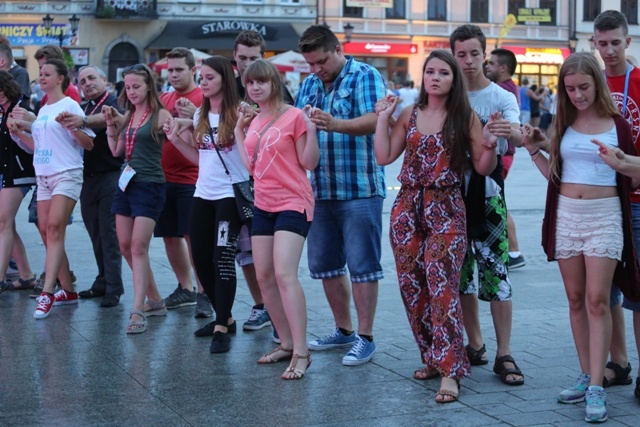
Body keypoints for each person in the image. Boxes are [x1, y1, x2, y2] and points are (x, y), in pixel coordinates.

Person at [374, 49, 497, 403]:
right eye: (430, 71)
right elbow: (384, 156)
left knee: (442, 287)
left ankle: (450, 370)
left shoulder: (463, 116)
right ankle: (431, 356)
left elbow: (484, 166)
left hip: (446, 207)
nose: (435, 77)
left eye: (443, 72)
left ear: (454, 79)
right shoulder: (410, 114)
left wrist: (490, 142)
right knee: (413, 289)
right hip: (407, 208)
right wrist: (382, 119)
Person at [521, 52, 637, 423]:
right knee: (574, 299)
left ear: (597, 84)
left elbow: (634, 176)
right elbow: (554, 174)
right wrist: (533, 150)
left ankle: (599, 388)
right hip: (568, 216)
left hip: (605, 217)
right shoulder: (564, 122)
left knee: (596, 301)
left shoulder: (617, 124)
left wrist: (620, 163)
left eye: (583, 87)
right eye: (570, 89)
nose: (577, 95)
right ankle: (587, 375)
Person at [296, 25, 386, 366]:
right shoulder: (307, 84)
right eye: (311, 64)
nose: (316, 70)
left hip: (360, 187)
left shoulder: (365, 74)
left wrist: (334, 124)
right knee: (325, 266)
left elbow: (376, 120)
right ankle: (343, 329)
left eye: (321, 62)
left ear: (337, 49)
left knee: (363, 266)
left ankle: (365, 337)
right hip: (319, 189)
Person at [450, 24, 525, 386]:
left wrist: (499, 135)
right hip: (449, 198)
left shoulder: (501, 97)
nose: (467, 61)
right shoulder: (447, 94)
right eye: (460, 54)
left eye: (474, 54)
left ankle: (504, 352)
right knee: (461, 275)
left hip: (489, 196)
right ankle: (475, 344)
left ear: (485, 55)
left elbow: (512, 141)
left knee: (497, 275)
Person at [235, 59, 319, 379]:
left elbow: (309, 162)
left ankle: (301, 351)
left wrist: (311, 131)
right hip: (263, 203)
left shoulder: (293, 116)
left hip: (293, 201)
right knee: (265, 276)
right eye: (250, 83)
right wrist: (240, 130)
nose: (255, 88)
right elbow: (251, 168)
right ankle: (284, 342)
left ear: (274, 82)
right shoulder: (255, 119)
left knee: (284, 274)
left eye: (261, 82)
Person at [164, 56, 244, 353]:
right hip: (203, 193)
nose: (203, 82)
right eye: (202, 77)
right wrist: (176, 141)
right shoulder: (200, 115)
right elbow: (202, 160)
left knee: (222, 256)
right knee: (200, 257)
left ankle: (221, 324)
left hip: (229, 196)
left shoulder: (238, 114)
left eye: (210, 77)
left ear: (224, 78)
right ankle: (227, 316)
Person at [7, 59, 95, 319]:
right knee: (47, 233)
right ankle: (67, 290)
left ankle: (47, 291)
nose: (41, 77)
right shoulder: (43, 107)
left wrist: (73, 125)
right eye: (41, 74)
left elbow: (88, 143)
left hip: (66, 173)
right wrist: (18, 134)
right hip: (44, 174)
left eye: (47, 74)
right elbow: (39, 147)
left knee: (55, 228)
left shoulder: (70, 105)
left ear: (60, 79)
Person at [233, 30, 295, 334]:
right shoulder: (230, 86)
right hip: (240, 182)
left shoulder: (281, 97)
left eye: (254, 59)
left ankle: (286, 328)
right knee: (247, 255)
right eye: (242, 59)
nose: (248, 67)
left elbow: (292, 131)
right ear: (234, 58)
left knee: (280, 268)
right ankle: (263, 308)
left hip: (279, 192)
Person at [103, 64, 172, 333]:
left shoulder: (159, 114)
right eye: (127, 87)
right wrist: (111, 125)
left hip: (150, 184)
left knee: (138, 247)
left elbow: (180, 135)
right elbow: (117, 150)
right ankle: (155, 300)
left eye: (136, 87)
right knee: (125, 245)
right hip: (126, 183)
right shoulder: (131, 115)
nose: (131, 92)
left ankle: (137, 309)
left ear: (148, 87)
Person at [594, 9, 640, 403]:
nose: (608, 51)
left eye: (615, 43)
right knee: (606, 291)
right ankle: (619, 364)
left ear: (628, 42)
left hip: (638, 200)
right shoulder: (588, 83)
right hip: (602, 202)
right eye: (601, 43)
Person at [56, 65, 124, 307]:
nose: (87, 83)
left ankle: (114, 288)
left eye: (92, 78)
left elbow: (107, 118)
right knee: (95, 232)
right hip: (88, 179)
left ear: (104, 79)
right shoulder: (82, 108)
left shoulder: (115, 102)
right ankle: (102, 281)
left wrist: (81, 121)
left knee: (109, 233)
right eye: (82, 81)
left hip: (111, 176)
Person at [155, 48, 209, 317]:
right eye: (171, 70)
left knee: (194, 237)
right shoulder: (164, 98)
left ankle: (204, 291)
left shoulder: (204, 97)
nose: (174, 74)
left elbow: (216, 131)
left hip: (194, 179)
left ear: (193, 70)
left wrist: (197, 112)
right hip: (165, 177)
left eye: (179, 69)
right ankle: (185, 287)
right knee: (169, 236)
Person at [485, 48, 526, 269]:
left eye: (491, 64)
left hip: (503, 153)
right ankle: (513, 251)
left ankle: (513, 252)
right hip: (506, 153)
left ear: (503, 68)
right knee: (497, 200)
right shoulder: (508, 88)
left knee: (497, 201)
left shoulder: (502, 90)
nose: (487, 67)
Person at [0, 71, 36, 294]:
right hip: (4, 171)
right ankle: (25, 275)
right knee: (7, 225)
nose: (0, 96)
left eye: (2, 92)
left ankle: (1, 277)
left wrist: (19, 131)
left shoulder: (21, 109)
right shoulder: (2, 111)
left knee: (3, 222)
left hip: (18, 172)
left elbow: (35, 144)